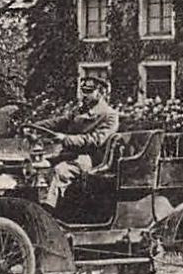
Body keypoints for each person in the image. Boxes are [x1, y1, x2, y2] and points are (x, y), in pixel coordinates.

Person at [31, 76, 120, 208]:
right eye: (83, 91)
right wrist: (34, 126)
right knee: (38, 167)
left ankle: (47, 211)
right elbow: (59, 122)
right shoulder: (80, 111)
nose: (85, 95)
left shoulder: (109, 115)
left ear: (100, 93)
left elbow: (96, 140)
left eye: (89, 91)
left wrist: (66, 138)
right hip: (70, 155)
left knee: (60, 171)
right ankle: (34, 204)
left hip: (91, 159)